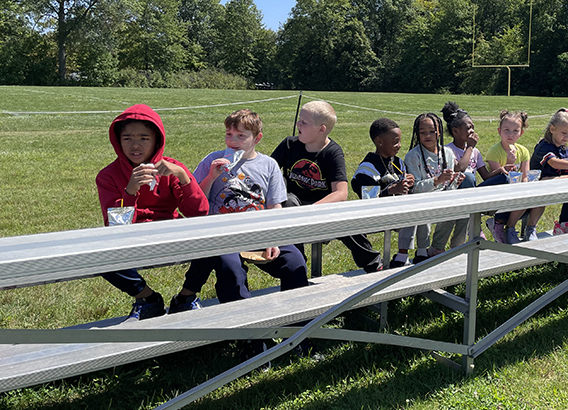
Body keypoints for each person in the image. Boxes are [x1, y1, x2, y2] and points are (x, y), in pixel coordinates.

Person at [96, 104, 209, 320]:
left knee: (216, 241)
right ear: (118, 141)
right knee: (97, 253)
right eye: (127, 138)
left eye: (143, 138)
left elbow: (200, 213)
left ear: (156, 140)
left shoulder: (172, 168)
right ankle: (147, 298)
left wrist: (184, 178)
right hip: (132, 238)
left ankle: (186, 297)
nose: (135, 145)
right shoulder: (108, 175)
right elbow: (116, 228)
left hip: (170, 232)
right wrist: (130, 191)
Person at [192, 109, 308, 301]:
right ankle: (241, 320)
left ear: (257, 138)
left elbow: (274, 207)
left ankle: (295, 319)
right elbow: (196, 201)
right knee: (232, 271)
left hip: (259, 231)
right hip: (223, 233)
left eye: (241, 136)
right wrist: (211, 177)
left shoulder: (268, 165)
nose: (233, 141)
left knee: (295, 262)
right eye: (229, 135)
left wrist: (273, 239)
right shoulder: (212, 160)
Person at [271, 101, 383, 273]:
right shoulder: (289, 145)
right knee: (289, 203)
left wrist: (313, 210)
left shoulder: (332, 152)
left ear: (321, 129)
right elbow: (268, 173)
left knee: (346, 215)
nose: (297, 124)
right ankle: (296, 266)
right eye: (299, 120)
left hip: (322, 208)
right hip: (294, 207)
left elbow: (341, 193)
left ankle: (373, 263)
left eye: (304, 122)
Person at [439, 102, 505, 246]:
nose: (472, 130)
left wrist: (500, 171)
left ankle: (494, 218)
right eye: (468, 127)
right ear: (455, 131)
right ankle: (474, 226)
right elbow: (459, 169)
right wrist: (469, 147)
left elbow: (485, 176)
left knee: (504, 178)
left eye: (472, 127)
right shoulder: (448, 150)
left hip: (473, 193)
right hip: (455, 192)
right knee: (468, 176)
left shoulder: (475, 152)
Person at [351, 118, 415, 268]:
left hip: (398, 212)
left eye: (400, 141)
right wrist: (392, 190)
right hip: (374, 215)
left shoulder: (398, 163)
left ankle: (419, 253)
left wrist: (409, 184)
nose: (399, 146)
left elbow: (405, 188)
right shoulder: (367, 168)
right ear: (379, 142)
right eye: (395, 142)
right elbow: (367, 197)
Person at [404, 112, 464, 263]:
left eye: (432, 132)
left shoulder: (448, 153)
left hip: (444, 196)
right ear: (417, 134)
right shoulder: (413, 156)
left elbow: (448, 186)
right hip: (422, 198)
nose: (428, 136)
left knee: (464, 211)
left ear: (439, 132)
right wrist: (436, 180)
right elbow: (415, 188)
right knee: (426, 209)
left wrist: (455, 181)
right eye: (423, 132)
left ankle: (458, 247)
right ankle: (424, 249)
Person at [530, 108, 568, 236]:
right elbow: (554, 162)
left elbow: (567, 174)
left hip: (555, 183)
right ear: (552, 129)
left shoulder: (565, 151)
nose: (567, 137)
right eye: (564, 133)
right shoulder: (544, 146)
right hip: (536, 183)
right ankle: (562, 225)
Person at [484, 110, 534, 244]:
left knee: (530, 194)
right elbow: (500, 177)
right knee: (507, 183)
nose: (510, 135)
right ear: (499, 131)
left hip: (516, 190)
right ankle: (499, 223)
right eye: (506, 130)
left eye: (515, 131)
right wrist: (510, 162)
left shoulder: (523, 151)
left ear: (521, 133)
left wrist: (525, 187)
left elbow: (525, 176)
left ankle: (517, 228)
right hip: (499, 191)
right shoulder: (494, 151)